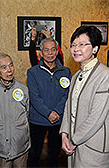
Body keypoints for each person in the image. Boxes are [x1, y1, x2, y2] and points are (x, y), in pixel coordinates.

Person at [60, 26, 109, 168]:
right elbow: (68, 106)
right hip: (73, 144)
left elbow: (96, 117)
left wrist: (73, 140)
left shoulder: (105, 75)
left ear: (95, 48)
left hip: (93, 146)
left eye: (82, 44)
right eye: (73, 45)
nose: (76, 49)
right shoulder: (76, 76)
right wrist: (64, 134)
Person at [27, 38, 71, 167]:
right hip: (38, 120)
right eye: (46, 50)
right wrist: (48, 113)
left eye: (53, 49)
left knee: (54, 155)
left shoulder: (66, 71)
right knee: (34, 154)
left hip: (58, 119)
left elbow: (67, 95)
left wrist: (57, 111)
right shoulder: (33, 72)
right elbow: (34, 97)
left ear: (57, 52)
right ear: (41, 52)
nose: (50, 53)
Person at [0, 52, 30, 168]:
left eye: (11, 65)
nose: (9, 70)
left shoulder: (23, 89)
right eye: (4, 67)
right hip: (0, 147)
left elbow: (27, 113)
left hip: (20, 146)